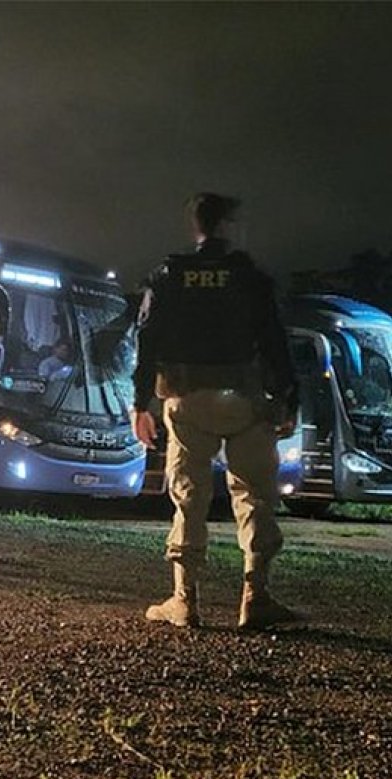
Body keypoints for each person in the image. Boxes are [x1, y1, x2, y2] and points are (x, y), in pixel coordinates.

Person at [132, 192, 300, 630]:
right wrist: (288, 398)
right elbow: (275, 341)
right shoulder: (251, 278)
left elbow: (145, 341)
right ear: (226, 226)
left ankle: (184, 600)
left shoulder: (168, 274)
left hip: (187, 401)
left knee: (189, 498)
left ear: (196, 228)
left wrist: (140, 405)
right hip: (246, 400)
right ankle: (255, 597)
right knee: (255, 495)